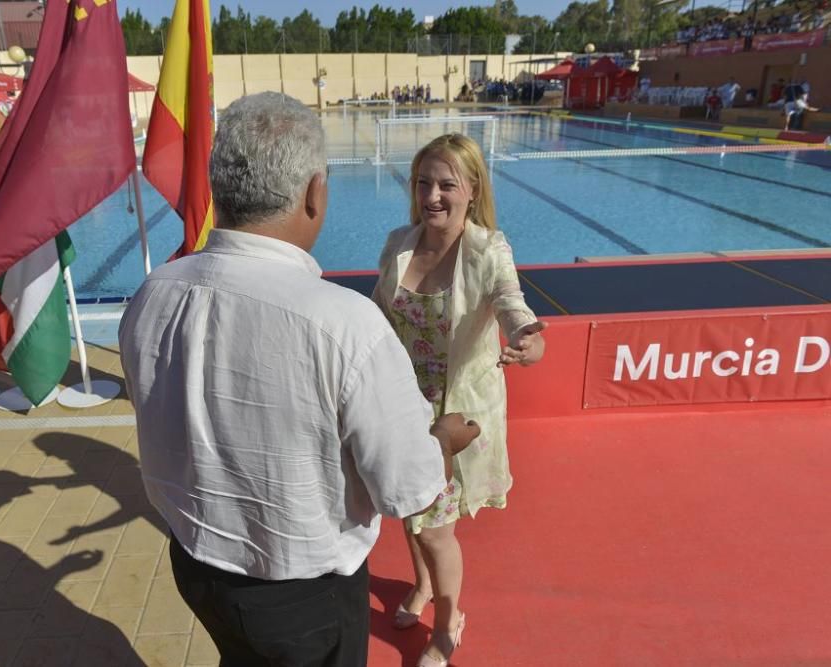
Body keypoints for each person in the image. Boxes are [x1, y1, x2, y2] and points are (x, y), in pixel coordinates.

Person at [118, 92, 481, 667]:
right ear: (315, 192)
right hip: (301, 596)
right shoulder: (342, 323)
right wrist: (445, 440)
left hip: (195, 566)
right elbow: (406, 487)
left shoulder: (154, 293)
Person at [372, 133, 546, 667]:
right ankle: (422, 586)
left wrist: (529, 336)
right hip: (400, 405)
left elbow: (511, 303)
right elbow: (377, 313)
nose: (433, 195)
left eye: (447, 184)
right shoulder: (399, 243)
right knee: (408, 507)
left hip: (451, 414)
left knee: (438, 528)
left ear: (472, 189)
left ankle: (448, 623)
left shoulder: (487, 248)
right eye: (424, 182)